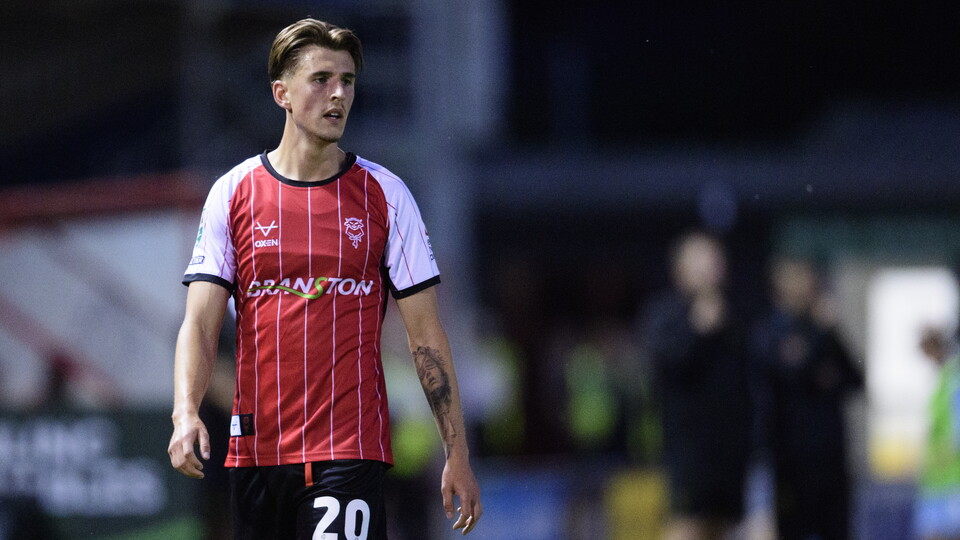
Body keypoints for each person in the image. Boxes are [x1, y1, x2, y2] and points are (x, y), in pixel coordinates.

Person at [167, 18, 481, 539]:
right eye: (321, 79)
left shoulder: (387, 195)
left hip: (349, 451)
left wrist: (458, 452)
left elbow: (426, 336)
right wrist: (185, 414)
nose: (338, 94)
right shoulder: (233, 192)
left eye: (348, 80)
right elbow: (199, 325)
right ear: (281, 94)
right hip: (256, 455)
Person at [639, 231, 752, 540]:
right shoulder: (666, 313)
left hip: (730, 456)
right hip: (688, 453)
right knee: (687, 525)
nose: (709, 267)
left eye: (715, 258)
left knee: (723, 527)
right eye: (700, 258)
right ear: (679, 268)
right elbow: (665, 366)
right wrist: (698, 330)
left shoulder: (735, 319)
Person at [750, 256, 862, 540]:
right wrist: (818, 352)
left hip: (831, 459)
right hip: (790, 461)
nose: (805, 286)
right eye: (796, 279)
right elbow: (792, 371)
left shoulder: (824, 330)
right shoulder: (770, 331)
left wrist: (830, 333)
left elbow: (855, 380)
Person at [914, 324, 960, 540]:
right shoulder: (942, 376)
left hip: (952, 480)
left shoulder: (954, 377)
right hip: (936, 480)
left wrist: (948, 450)